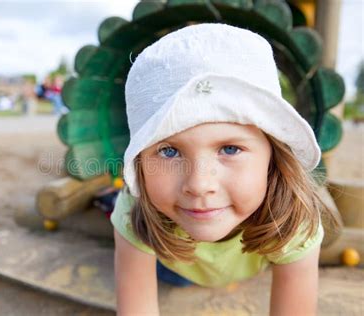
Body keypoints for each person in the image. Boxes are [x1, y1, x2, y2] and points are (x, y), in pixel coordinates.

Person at [111, 23, 335, 315]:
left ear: (274, 157)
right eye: (168, 150)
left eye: (230, 149)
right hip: (172, 262)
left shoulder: (295, 221)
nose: (200, 184)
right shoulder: (134, 211)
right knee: (171, 276)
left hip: (255, 259)